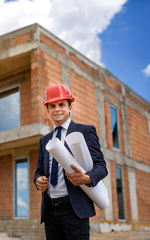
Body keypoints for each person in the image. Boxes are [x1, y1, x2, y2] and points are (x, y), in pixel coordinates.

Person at [34, 84, 108, 240]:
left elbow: (101, 167)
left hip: (75, 209)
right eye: (52, 106)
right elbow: (39, 170)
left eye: (61, 104)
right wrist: (38, 180)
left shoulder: (85, 131)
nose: (57, 109)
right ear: (47, 110)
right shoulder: (44, 141)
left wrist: (88, 178)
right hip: (50, 211)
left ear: (70, 107)